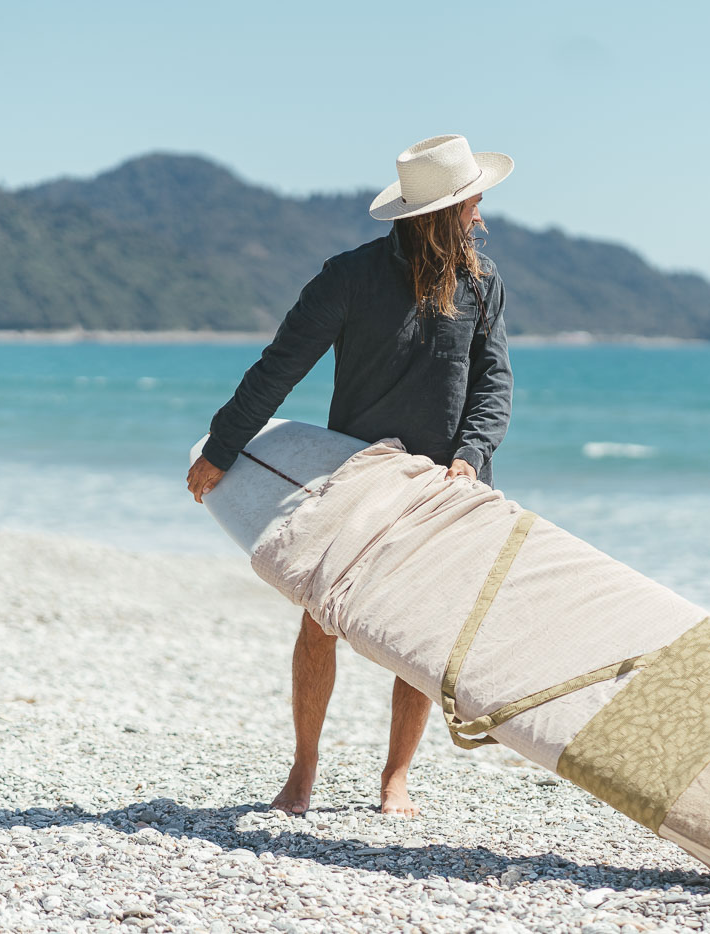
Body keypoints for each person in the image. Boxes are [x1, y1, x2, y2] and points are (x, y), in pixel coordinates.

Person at [185, 135, 515, 817]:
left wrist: (471, 455)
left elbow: (494, 382)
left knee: (418, 639)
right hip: (352, 479)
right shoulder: (348, 278)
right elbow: (280, 366)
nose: (481, 212)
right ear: (443, 211)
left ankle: (396, 778)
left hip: (443, 485)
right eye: (473, 200)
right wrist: (222, 448)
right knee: (319, 624)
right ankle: (303, 772)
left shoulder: (482, 282)